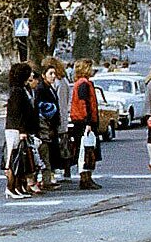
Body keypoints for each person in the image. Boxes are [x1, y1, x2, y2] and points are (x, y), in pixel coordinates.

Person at [3, 62, 38, 199]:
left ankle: (19, 187)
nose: (32, 75)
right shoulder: (17, 91)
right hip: (15, 129)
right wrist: (22, 130)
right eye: (29, 72)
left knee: (22, 160)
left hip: (21, 129)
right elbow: (17, 113)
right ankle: (10, 187)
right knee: (15, 159)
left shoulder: (22, 89)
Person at [69, 58, 101, 190]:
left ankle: (87, 177)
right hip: (84, 122)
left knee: (88, 150)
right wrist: (88, 122)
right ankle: (85, 178)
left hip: (82, 121)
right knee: (86, 150)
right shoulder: (83, 84)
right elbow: (84, 104)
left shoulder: (82, 83)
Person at [34, 62, 63, 190]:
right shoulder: (41, 89)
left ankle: (48, 179)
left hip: (52, 125)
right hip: (45, 126)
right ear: (43, 75)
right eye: (50, 73)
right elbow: (42, 109)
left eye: (54, 74)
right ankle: (45, 180)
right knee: (45, 154)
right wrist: (49, 126)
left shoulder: (50, 88)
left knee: (50, 154)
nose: (53, 76)